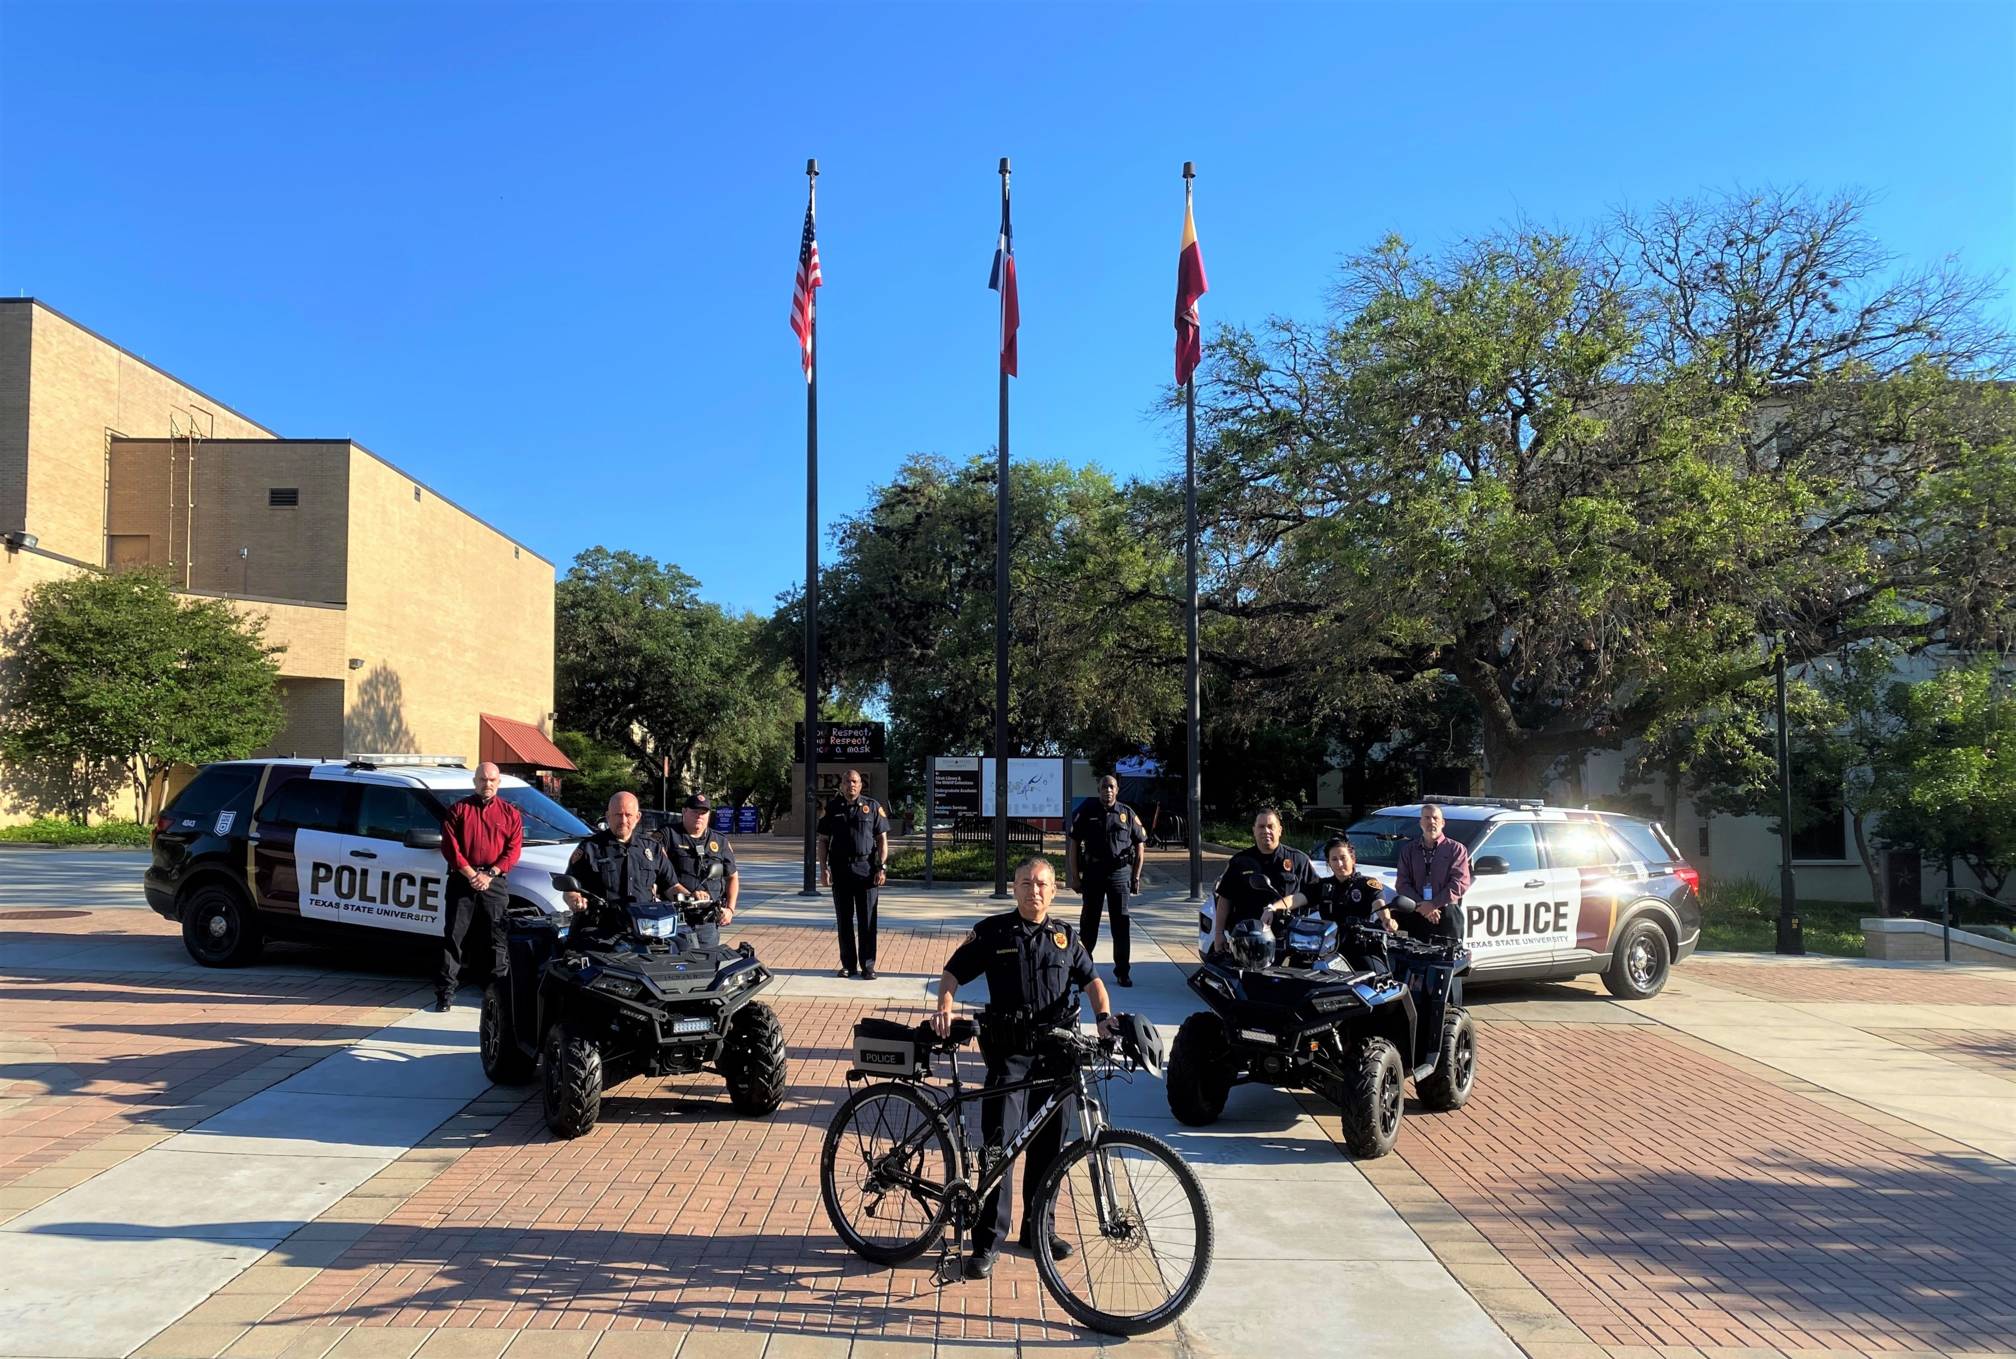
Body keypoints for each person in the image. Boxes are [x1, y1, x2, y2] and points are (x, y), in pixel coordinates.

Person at [933, 856, 1117, 1279]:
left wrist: (1104, 1017)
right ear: (1014, 888)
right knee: (999, 1149)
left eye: (1042, 884)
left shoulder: (1066, 937)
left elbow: (1094, 982)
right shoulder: (993, 932)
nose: (1034, 890)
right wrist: (944, 1006)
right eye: (1025, 883)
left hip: (1057, 1057)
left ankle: (1039, 1231)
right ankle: (986, 1242)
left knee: (1048, 1150)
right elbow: (951, 973)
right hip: (1009, 1056)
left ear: (1054, 891)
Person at [436, 761, 523, 1012]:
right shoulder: (458, 810)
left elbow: (513, 850)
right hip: (462, 880)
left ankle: (497, 995)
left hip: (494, 881)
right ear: (475, 782)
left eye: (492, 780)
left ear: (499, 783)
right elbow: (451, 849)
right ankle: (445, 994)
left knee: (498, 939)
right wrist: (472, 874)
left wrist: (490, 874)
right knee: (454, 937)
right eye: (483, 780)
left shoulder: (510, 814)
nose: (487, 784)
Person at [1065, 774, 1146, 986]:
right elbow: (1074, 843)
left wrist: (1136, 875)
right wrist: (1075, 876)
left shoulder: (1127, 814)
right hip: (1093, 874)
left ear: (1117, 790)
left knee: (1120, 923)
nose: (1107, 791)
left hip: (1119, 875)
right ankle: (1083, 969)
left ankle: (1122, 971)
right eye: (1104, 787)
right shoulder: (1086, 811)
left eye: (1111, 787)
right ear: (1098, 789)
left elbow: (1140, 844)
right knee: (1088, 924)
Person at [562, 791, 679, 931]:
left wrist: (692, 897)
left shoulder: (652, 847)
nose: (623, 820)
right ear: (608, 816)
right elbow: (569, 889)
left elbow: (671, 886)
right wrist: (574, 900)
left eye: (628, 815)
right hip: (600, 930)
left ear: (637, 817)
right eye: (618, 814)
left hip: (644, 929)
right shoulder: (589, 848)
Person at [1208, 807, 1313, 955]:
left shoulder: (1298, 860)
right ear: (1254, 830)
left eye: (1271, 827)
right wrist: (1218, 934)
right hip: (1246, 940)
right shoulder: (1240, 861)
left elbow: (1313, 895)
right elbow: (1225, 899)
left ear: (1280, 830)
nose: (1266, 831)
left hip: (1286, 941)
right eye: (1261, 826)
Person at [817, 769, 889, 979]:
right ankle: (848, 964)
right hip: (841, 871)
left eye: (855, 782)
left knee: (867, 921)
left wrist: (881, 867)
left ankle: (868, 966)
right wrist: (823, 868)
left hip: (866, 871)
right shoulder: (832, 809)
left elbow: (882, 840)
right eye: (847, 782)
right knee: (844, 921)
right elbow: (823, 840)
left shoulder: (872, 807)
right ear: (841, 785)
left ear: (861, 785)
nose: (851, 785)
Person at [661, 792, 738, 948]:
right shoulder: (668, 836)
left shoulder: (720, 841)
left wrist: (730, 909)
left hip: (707, 920)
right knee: (678, 966)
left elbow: (732, 877)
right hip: (676, 917)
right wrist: (688, 896)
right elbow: (661, 874)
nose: (699, 816)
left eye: (703, 813)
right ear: (684, 812)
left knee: (706, 967)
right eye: (695, 811)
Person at [1392, 803, 1470, 942]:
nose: (1431, 822)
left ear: (1443, 823)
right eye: (1427, 818)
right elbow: (1402, 884)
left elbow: (1460, 883)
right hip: (1416, 912)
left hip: (1446, 913)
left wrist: (1433, 904)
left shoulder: (1456, 849)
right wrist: (1422, 906)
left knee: (1447, 961)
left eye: (1435, 818)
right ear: (1420, 822)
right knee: (1416, 960)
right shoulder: (1409, 850)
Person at [1311, 836, 1393, 929]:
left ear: (1353, 860)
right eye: (1334, 859)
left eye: (1343, 858)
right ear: (1329, 863)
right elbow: (1299, 898)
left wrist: (1386, 919)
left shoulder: (1367, 884)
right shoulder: (1322, 884)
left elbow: (1378, 903)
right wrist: (1290, 905)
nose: (1339, 864)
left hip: (1358, 939)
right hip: (1327, 940)